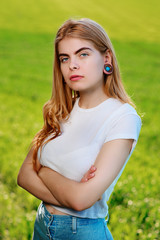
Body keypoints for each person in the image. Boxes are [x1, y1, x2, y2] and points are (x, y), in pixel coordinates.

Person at [17, 18, 141, 240]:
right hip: (42, 224)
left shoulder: (123, 118)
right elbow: (24, 176)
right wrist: (69, 192)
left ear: (107, 58)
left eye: (83, 54)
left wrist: (43, 170)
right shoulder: (61, 109)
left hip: (83, 233)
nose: (72, 64)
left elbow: (81, 201)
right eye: (65, 58)